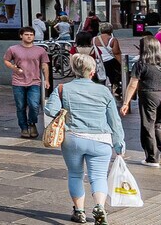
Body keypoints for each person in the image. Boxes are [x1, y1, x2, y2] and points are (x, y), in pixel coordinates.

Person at [45, 51, 126, 224]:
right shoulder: (104, 91)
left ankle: (79, 211)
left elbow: (50, 110)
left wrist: (64, 113)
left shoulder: (63, 89)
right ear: (92, 71)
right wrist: (119, 144)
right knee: (98, 176)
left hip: (73, 138)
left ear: (74, 70)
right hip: (101, 140)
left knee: (75, 174)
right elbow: (115, 121)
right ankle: (100, 207)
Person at [121, 36, 161, 166]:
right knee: (158, 123)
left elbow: (133, 85)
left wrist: (126, 103)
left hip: (149, 95)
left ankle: (152, 158)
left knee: (148, 125)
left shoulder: (140, 64)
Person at [6, 26, 52, 138]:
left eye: (31, 35)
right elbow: (6, 60)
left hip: (34, 81)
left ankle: (32, 123)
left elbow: (45, 65)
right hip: (18, 82)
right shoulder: (13, 49)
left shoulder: (40, 50)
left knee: (34, 105)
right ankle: (24, 127)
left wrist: (46, 80)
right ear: (21, 36)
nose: (29, 37)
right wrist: (13, 68)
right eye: (26, 34)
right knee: (20, 106)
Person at [92, 22, 124, 98]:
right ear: (111, 30)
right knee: (115, 78)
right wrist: (122, 64)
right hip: (111, 61)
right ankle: (115, 91)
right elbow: (116, 53)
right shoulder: (112, 40)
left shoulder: (94, 39)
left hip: (99, 62)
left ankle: (101, 93)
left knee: (101, 78)